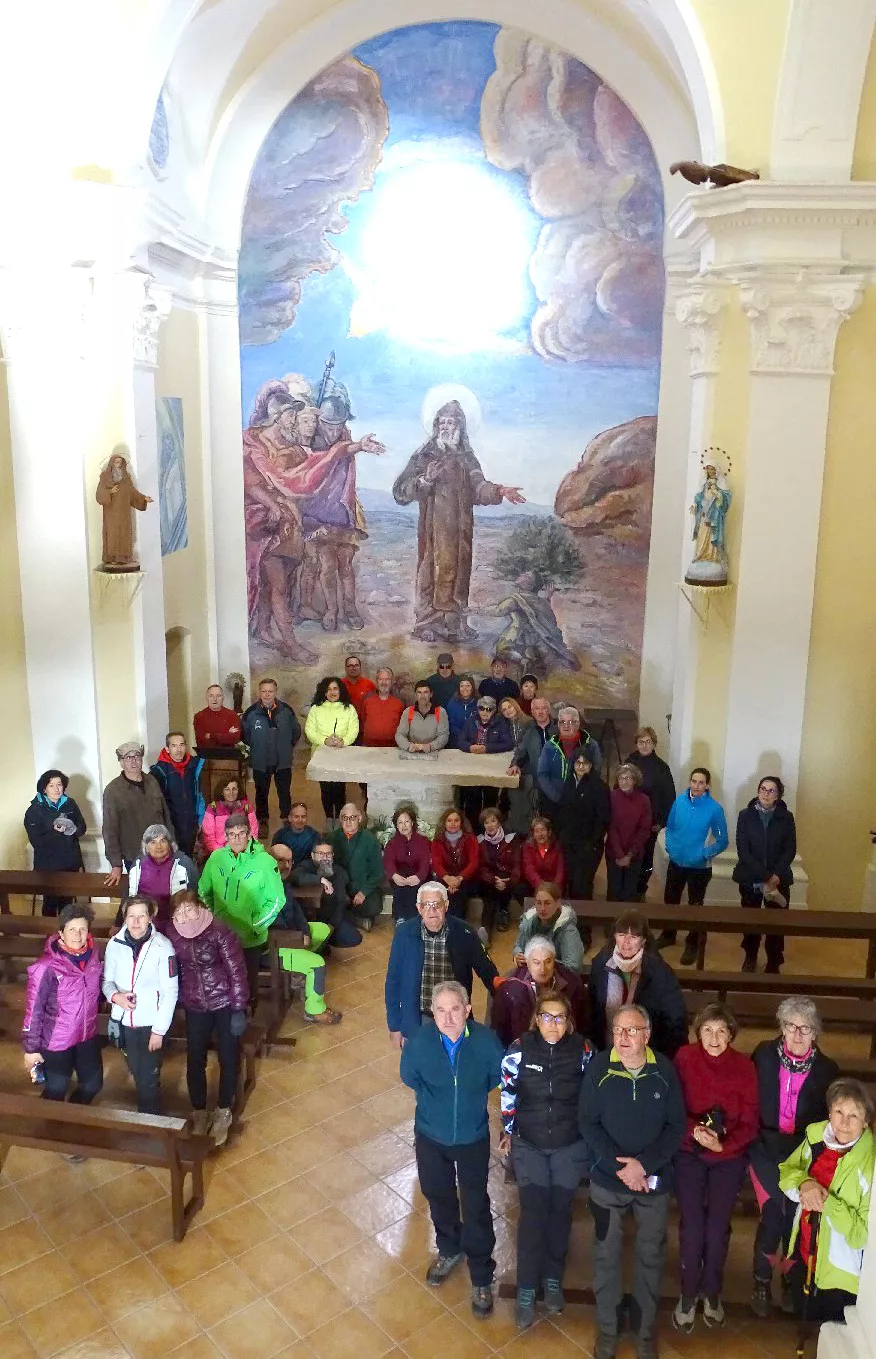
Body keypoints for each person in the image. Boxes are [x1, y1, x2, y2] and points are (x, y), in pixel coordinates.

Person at [579, 1002, 686, 1359]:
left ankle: (643, 1333)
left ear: (647, 1035)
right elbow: (588, 1124)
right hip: (608, 1182)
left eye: (632, 1030)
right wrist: (621, 1166)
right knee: (606, 1255)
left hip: (653, 1182)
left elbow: (675, 1128)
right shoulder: (599, 1068)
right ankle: (608, 1330)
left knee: (650, 1256)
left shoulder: (664, 1072)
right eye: (618, 1030)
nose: (623, 1038)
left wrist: (644, 1166)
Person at [400, 980, 505, 1317]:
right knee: (437, 1193)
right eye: (441, 1010)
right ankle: (448, 1248)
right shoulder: (418, 1044)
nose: (447, 1018)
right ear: (432, 1012)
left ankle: (481, 1275)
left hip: (472, 1136)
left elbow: (494, 1079)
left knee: (475, 1204)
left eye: (455, 1009)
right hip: (431, 1135)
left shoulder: (488, 1044)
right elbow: (409, 1077)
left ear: (468, 1010)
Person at [392, 398, 524, 643]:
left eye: (451, 422)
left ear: (460, 427)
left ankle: (455, 624)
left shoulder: (467, 458)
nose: (446, 427)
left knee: (459, 573)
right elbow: (400, 490)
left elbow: (479, 487)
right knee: (432, 572)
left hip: (461, 530)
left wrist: (500, 491)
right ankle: (427, 624)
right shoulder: (425, 455)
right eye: (442, 422)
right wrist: (425, 481)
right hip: (434, 529)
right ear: (435, 425)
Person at [499, 992, 593, 1328]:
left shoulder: (584, 1050)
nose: (553, 1024)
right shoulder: (519, 1049)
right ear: (536, 1020)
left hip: (569, 1145)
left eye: (560, 1018)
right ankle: (527, 1287)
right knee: (534, 1213)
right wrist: (507, 1130)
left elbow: (591, 1097)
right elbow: (508, 1091)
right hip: (530, 1143)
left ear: (569, 1022)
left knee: (560, 1211)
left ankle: (553, 1278)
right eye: (546, 1017)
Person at [749, 996, 839, 1317]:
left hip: (803, 1153)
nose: (797, 1035)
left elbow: (830, 1120)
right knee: (774, 1213)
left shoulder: (828, 1070)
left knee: (795, 1219)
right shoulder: (762, 1055)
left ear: (815, 1033)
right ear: (781, 1028)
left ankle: (789, 1281)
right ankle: (760, 1280)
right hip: (764, 1147)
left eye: (805, 1028)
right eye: (790, 1026)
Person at [671, 1003, 759, 1333]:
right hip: (689, 1150)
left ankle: (712, 1293)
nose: (714, 1037)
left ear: (731, 1035)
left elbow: (749, 1122)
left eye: (722, 1030)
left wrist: (724, 1145)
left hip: (727, 1154)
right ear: (698, 1033)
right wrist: (693, 1132)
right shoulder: (684, 1058)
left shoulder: (744, 1067)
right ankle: (688, 1292)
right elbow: (673, 1107)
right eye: (707, 1030)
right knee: (693, 1225)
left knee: (717, 1227)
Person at [779, 1077, 875, 1323]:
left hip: (841, 1270)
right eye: (839, 1111)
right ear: (830, 1113)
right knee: (806, 1315)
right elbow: (786, 1171)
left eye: (854, 1115)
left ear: (866, 1121)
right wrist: (805, 1183)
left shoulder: (871, 1165)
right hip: (806, 1250)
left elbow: (861, 1235)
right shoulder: (816, 1138)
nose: (844, 1122)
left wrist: (826, 1201)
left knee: (835, 1328)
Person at [166, 889, 250, 1145]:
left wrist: (238, 1008)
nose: (185, 915)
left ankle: (224, 1109)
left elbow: (237, 972)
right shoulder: (171, 933)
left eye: (189, 908)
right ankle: (199, 1111)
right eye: (179, 911)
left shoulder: (219, 930)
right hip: (195, 1005)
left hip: (224, 1001)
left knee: (228, 1054)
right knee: (195, 1057)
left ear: (200, 907)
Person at [385, 883, 498, 1044]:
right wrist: (395, 1026)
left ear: (446, 905)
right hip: (419, 1016)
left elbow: (487, 971)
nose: (431, 910)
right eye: (426, 905)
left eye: (436, 904)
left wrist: (505, 996)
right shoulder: (404, 934)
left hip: (454, 1016)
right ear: (419, 908)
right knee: (420, 1064)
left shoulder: (465, 933)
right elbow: (393, 982)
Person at [102, 896, 179, 1114]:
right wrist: (116, 997)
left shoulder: (163, 946)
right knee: (136, 1070)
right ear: (125, 918)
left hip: (150, 1025)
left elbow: (170, 991)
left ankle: (151, 1121)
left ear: (150, 917)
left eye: (141, 916)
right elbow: (107, 982)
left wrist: (159, 1031)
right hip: (124, 1022)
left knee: (148, 1078)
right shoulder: (114, 945)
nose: (136, 922)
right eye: (131, 916)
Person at [198, 813, 284, 1005]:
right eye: (231, 834)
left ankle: (249, 1019)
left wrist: (255, 924)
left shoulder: (265, 862)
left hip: (250, 936)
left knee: (246, 984)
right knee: (222, 980)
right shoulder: (216, 858)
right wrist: (213, 918)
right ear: (225, 836)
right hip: (221, 934)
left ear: (249, 833)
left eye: (241, 833)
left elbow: (277, 899)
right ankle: (226, 1020)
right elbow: (203, 891)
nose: (236, 838)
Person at [22, 903, 103, 1105]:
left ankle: (75, 1115)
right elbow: (34, 1010)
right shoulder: (46, 967)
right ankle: (51, 1127)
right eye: (72, 929)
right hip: (57, 1040)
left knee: (93, 1085)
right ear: (61, 933)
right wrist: (31, 1049)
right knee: (56, 1090)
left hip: (87, 1034)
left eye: (82, 929)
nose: (77, 935)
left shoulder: (94, 957)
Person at [589, 909, 689, 1058]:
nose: (626, 942)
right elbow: (592, 1010)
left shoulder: (660, 972)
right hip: (606, 1049)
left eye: (634, 936)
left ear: (643, 940)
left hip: (646, 1053)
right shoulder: (601, 964)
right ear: (614, 937)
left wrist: (664, 1059)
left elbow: (675, 1021)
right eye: (621, 935)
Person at [656, 767, 729, 966]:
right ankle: (668, 934)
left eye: (701, 782)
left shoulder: (715, 809)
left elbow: (723, 841)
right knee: (670, 899)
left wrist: (704, 854)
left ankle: (693, 942)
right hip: (676, 861)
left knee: (695, 906)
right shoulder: (679, 801)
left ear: (707, 786)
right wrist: (670, 846)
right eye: (694, 781)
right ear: (689, 782)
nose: (696, 786)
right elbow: (670, 826)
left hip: (699, 867)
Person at [269, 846, 343, 1024]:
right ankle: (313, 1010)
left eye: (289, 861)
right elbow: (270, 927)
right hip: (273, 948)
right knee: (317, 964)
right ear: (270, 861)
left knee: (323, 929)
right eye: (280, 860)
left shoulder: (283, 882)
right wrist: (297, 937)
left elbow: (296, 911)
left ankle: (298, 974)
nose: (286, 865)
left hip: (292, 936)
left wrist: (305, 931)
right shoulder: (263, 886)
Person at [733, 775, 797, 973]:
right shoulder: (745, 815)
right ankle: (750, 956)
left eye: (771, 790)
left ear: (778, 795)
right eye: (763, 789)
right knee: (751, 921)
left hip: (779, 880)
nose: (766, 793)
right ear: (757, 791)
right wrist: (766, 876)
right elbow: (743, 850)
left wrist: (776, 875)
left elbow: (790, 849)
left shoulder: (786, 818)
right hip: (751, 877)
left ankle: (774, 962)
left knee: (776, 925)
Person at [491, 935, 588, 1047]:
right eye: (536, 962)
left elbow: (584, 1025)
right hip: (524, 1052)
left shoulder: (573, 984)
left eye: (548, 962)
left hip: (565, 1051)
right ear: (527, 962)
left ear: (554, 961)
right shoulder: (510, 989)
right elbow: (498, 1031)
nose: (543, 969)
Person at [102, 741, 171, 886]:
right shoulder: (113, 790)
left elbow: (166, 816)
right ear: (121, 762)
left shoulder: (152, 781)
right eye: (128, 758)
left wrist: (172, 845)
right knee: (142, 896)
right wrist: (116, 864)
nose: (133, 761)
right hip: (134, 854)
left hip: (160, 850)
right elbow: (110, 829)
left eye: (137, 756)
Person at [241, 678, 301, 835]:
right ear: (259, 692)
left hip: (282, 760)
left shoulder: (286, 710)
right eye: (264, 691)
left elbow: (296, 732)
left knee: (284, 792)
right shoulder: (250, 713)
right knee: (261, 792)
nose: (267, 694)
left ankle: (286, 819)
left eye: (270, 691)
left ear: (275, 692)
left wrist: (286, 746)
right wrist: (256, 748)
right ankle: (262, 820)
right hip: (261, 760)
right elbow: (245, 735)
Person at [24, 770, 87, 915]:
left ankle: (66, 934)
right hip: (48, 865)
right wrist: (55, 831)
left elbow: (82, 827)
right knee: (50, 903)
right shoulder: (34, 810)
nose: (57, 788)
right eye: (51, 785)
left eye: (59, 784)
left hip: (70, 861)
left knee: (67, 902)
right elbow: (37, 842)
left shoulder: (70, 803)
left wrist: (73, 829)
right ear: (44, 788)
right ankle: (50, 935)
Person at [625, 728, 676, 899]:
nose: (644, 745)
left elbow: (669, 797)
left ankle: (640, 889)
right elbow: (619, 788)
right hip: (628, 822)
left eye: (648, 742)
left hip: (651, 823)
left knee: (645, 859)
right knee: (628, 854)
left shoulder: (662, 768)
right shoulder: (629, 762)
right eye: (641, 742)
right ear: (636, 743)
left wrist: (661, 822)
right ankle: (626, 888)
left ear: (654, 744)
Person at [556, 750, 611, 907]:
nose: (581, 766)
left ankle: (584, 926)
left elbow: (603, 819)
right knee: (569, 882)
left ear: (591, 765)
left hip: (588, 845)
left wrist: (592, 843)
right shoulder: (569, 782)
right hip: (569, 843)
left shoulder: (599, 787)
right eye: (577, 763)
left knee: (583, 885)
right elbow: (563, 810)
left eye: (584, 763)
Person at [305, 676, 360, 828]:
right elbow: (309, 730)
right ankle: (329, 819)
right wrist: (324, 740)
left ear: (340, 690)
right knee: (326, 789)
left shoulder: (348, 708)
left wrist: (344, 741)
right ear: (324, 692)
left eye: (335, 688)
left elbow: (353, 730)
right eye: (329, 689)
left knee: (339, 789)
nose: (332, 692)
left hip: (341, 755)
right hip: (321, 755)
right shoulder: (316, 708)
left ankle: (341, 820)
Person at [536, 707, 602, 820]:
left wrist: (581, 796)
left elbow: (596, 771)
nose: (566, 726)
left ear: (578, 724)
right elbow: (542, 774)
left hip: (582, 800)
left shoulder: (590, 745)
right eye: (562, 722)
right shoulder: (550, 745)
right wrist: (556, 797)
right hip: (553, 800)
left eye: (570, 722)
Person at [459, 697, 514, 830]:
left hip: (492, 767)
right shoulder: (471, 721)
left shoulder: (500, 723)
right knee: (473, 799)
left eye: (489, 709)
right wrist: (469, 747)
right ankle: (473, 830)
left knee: (491, 799)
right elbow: (460, 741)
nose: (485, 712)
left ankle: (489, 830)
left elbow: (508, 743)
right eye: (481, 708)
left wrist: (487, 748)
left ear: (494, 711)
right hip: (472, 766)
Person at [127, 824, 197, 925]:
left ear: (170, 844)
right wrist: (119, 922)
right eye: (153, 842)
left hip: (177, 921)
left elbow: (194, 894)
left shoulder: (184, 863)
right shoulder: (138, 864)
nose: (158, 846)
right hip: (145, 922)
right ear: (146, 846)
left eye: (163, 841)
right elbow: (128, 895)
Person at [150, 731, 205, 857]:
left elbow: (199, 795)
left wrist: (201, 820)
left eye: (181, 745)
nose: (178, 749)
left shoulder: (194, 766)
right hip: (170, 826)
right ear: (167, 749)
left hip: (191, 824)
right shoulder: (158, 772)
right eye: (174, 746)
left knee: (188, 860)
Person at [507, 696, 557, 831]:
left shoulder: (558, 729)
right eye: (536, 709)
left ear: (548, 710)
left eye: (543, 708)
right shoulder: (529, 730)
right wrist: (515, 764)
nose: (540, 712)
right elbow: (520, 751)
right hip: (537, 779)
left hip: (557, 779)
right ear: (532, 712)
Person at [330, 804, 383, 930]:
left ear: (359, 818)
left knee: (373, 906)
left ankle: (344, 918)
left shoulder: (369, 839)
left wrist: (363, 892)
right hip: (340, 887)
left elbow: (377, 871)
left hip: (361, 887)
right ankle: (356, 920)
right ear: (340, 819)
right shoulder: (332, 838)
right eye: (344, 818)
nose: (348, 822)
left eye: (352, 817)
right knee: (330, 901)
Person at [95, 450, 152, 567]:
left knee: (124, 533)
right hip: (111, 512)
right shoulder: (105, 477)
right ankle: (111, 557)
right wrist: (110, 491)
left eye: (120, 463)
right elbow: (99, 494)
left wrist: (144, 498)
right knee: (112, 533)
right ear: (112, 463)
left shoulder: (126, 478)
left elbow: (132, 492)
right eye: (116, 462)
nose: (118, 464)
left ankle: (124, 557)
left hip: (124, 512)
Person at [606, 764, 652, 904]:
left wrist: (630, 854)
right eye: (621, 778)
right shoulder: (611, 797)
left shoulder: (644, 800)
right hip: (614, 852)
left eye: (628, 778)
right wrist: (620, 855)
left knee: (629, 893)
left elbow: (644, 829)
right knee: (614, 891)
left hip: (635, 854)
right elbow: (610, 826)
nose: (624, 781)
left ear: (635, 780)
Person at [513, 881, 583, 971]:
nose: (542, 908)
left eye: (547, 903)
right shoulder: (529, 923)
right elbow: (518, 945)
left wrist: (542, 963)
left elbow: (573, 967)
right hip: (530, 973)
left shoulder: (568, 930)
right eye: (539, 903)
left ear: (558, 903)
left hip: (558, 979)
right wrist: (518, 954)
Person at [383, 807, 433, 923]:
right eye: (400, 822)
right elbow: (388, 862)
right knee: (400, 888)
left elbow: (425, 862)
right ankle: (400, 920)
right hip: (399, 877)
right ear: (396, 825)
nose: (403, 825)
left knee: (414, 889)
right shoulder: (392, 843)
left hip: (419, 876)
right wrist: (394, 876)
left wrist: (418, 877)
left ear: (412, 822)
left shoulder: (423, 841)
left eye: (406, 821)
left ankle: (414, 920)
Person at [477, 806, 520, 935]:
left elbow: (517, 864)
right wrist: (493, 879)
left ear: (499, 822)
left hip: (507, 878)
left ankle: (503, 911)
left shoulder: (511, 838)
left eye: (493, 821)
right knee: (489, 896)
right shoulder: (480, 841)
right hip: (489, 880)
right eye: (486, 822)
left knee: (503, 884)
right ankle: (485, 933)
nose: (490, 825)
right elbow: (480, 866)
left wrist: (511, 879)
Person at [431, 807, 480, 919]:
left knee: (457, 894)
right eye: (449, 820)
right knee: (445, 892)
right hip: (445, 877)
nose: (453, 823)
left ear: (461, 823)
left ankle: (456, 925)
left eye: (456, 820)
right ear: (444, 823)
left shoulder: (470, 839)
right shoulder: (438, 840)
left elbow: (474, 862)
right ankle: (445, 923)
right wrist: (447, 878)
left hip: (466, 878)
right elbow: (436, 862)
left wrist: (459, 878)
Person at [201, 777, 259, 853]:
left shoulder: (247, 807)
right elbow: (208, 836)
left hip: (244, 852)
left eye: (234, 789)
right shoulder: (212, 808)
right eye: (227, 789)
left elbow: (253, 833)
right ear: (222, 792)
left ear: (238, 791)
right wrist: (221, 853)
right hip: (220, 853)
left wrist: (246, 851)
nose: (231, 793)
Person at [394, 680, 449, 753]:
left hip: (434, 753)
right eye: (419, 692)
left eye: (426, 692)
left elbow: (443, 736)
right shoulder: (408, 712)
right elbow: (399, 734)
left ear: (431, 694)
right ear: (415, 695)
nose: (422, 696)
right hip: (412, 753)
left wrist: (431, 746)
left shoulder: (441, 712)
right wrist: (408, 746)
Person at [521, 816, 567, 895]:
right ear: (533, 835)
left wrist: (554, 888)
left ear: (549, 832)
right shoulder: (528, 847)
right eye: (537, 831)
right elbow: (529, 869)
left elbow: (560, 870)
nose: (540, 834)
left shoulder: (557, 846)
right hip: (536, 884)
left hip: (553, 885)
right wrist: (541, 886)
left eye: (543, 830)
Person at [360, 667, 405, 747]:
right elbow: (363, 718)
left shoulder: (400, 700)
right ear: (377, 681)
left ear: (392, 681)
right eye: (381, 679)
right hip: (369, 746)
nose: (384, 682)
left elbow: (403, 723)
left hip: (392, 747)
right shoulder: (366, 698)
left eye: (387, 679)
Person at [193, 684, 242, 751]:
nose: (215, 699)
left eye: (218, 696)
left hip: (228, 757)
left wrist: (211, 736)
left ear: (223, 698)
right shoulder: (199, 717)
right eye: (211, 696)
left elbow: (236, 738)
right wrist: (227, 734)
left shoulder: (232, 715)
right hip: (207, 757)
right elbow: (202, 742)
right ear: (207, 698)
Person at [272, 801, 320, 867]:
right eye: (296, 817)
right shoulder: (280, 836)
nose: (300, 820)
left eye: (303, 817)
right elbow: (273, 859)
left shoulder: (314, 836)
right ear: (290, 818)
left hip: (306, 872)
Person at [341, 654, 376, 725]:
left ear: (360, 667)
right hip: (344, 726)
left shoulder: (369, 684)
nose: (354, 668)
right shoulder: (339, 685)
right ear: (345, 668)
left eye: (356, 665)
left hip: (364, 727)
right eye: (350, 665)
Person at [446, 674, 478, 749]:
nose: (465, 688)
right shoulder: (452, 703)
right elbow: (450, 722)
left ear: (472, 688)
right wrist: (462, 734)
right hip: (455, 740)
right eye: (462, 686)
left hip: (474, 741)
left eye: (468, 685)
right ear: (459, 688)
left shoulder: (478, 703)